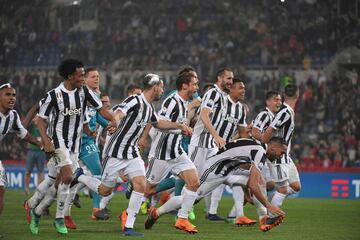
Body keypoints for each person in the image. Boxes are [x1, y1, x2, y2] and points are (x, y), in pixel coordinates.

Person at [74, 73, 192, 237]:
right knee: (104, 191)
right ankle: (79, 175)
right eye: (161, 87)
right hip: (115, 152)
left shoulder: (150, 108)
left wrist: (180, 126)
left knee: (140, 185)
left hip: (132, 151)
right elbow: (120, 112)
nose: (162, 90)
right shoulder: (134, 100)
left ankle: (128, 226)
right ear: (155, 86)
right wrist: (115, 120)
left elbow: (158, 124)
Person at [28, 59, 116, 235]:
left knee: (62, 180)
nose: (83, 78)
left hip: (76, 143)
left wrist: (113, 120)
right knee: (67, 176)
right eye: (80, 75)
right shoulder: (53, 95)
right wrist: (46, 141)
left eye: (84, 74)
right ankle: (59, 218)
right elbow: (40, 120)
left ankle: (37, 211)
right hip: (58, 142)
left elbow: (100, 110)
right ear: (70, 76)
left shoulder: (84, 92)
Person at [145, 137, 287, 233]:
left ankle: (263, 218)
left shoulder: (256, 145)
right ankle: (157, 212)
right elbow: (252, 184)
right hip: (214, 170)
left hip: (226, 170)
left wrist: (248, 192)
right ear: (273, 147)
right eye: (282, 152)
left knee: (259, 180)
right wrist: (269, 205)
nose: (281, 156)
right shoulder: (260, 152)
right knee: (190, 198)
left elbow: (236, 154)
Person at [144, 72, 200, 233]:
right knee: (148, 191)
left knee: (194, 183)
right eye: (194, 84)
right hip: (162, 153)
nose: (196, 87)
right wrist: (180, 127)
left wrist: (182, 129)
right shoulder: (172, 101)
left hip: (177, 152)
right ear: (185, 86)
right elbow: (158, 123)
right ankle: (128, 214)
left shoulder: (185, 103)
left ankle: (182, 219)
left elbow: (176, 127)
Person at [63, 67, 110, 229]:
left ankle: (96, 209)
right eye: (93, 76)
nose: (97, 79)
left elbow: (97, 116)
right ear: (85, 79)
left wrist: (111, 125)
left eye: (98, 76)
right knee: (56, 181)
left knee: (97, 171)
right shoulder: (76, 93)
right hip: (71, 141)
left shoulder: (95, 95)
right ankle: (38, 204)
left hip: (87, 141)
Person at [188, 67, 233, 221]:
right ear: (219, 78)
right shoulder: (212, 93)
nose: (230, 82)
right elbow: (204, 115)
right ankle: (177, 207)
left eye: (232, 79)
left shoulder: (224, 97)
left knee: (221, 171)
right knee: (191, 180)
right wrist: (217, 135)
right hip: (200, 143)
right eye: (228, 78)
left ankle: (204, 208)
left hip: (211, 145)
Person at [0, 83, 42, 237]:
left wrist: (41, 144)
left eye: (14, 95)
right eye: (7, 94)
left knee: (1, 191)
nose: (12, 98)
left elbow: (24, 134)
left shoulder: (12, 116)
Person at [261, 84, 301, 220]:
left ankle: (272, 199)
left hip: (286, 157)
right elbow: (270, 129)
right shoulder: (284, 112)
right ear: (298, 95)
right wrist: (265, 147)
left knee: (295, 186)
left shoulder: (288, 111)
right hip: (278, 156)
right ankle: (270, 217)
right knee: (283, 189)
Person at [252, 90, 282, 192]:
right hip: (257, 152)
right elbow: (255, 132)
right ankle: (263, 207)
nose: (279, 102)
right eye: (276, 100)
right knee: (265, 184)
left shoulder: (273, 118)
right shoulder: (265, 115)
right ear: (268, 102)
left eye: (280, 100)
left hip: (264, 153)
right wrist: (267, 145)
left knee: (268, 184)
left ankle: (242, 203)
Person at [24, 116, 47, 195]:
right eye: (35, 117)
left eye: (37, 117)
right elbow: (26, 125)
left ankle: (38, 189)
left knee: (41, 171)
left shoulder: (44, 126)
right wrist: (31, 119)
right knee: (27, 171)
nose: (36, 118)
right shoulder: (31, 127)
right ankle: (26, 189)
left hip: (41, 151)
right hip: (31, 151)